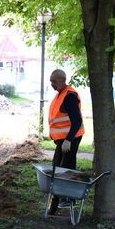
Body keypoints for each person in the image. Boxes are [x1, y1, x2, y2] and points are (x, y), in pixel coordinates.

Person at [47, 69, 85, 214]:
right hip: (62, 141)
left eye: (54, 82)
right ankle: (56, 203)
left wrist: (68, 140)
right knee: (57, 167)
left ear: (63, 80)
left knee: (65, 169)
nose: (52, 84)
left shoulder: (69, 96)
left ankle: (67, 199)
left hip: (70, 139)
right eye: (51, 81)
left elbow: (77, 121)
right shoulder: (60, 95)